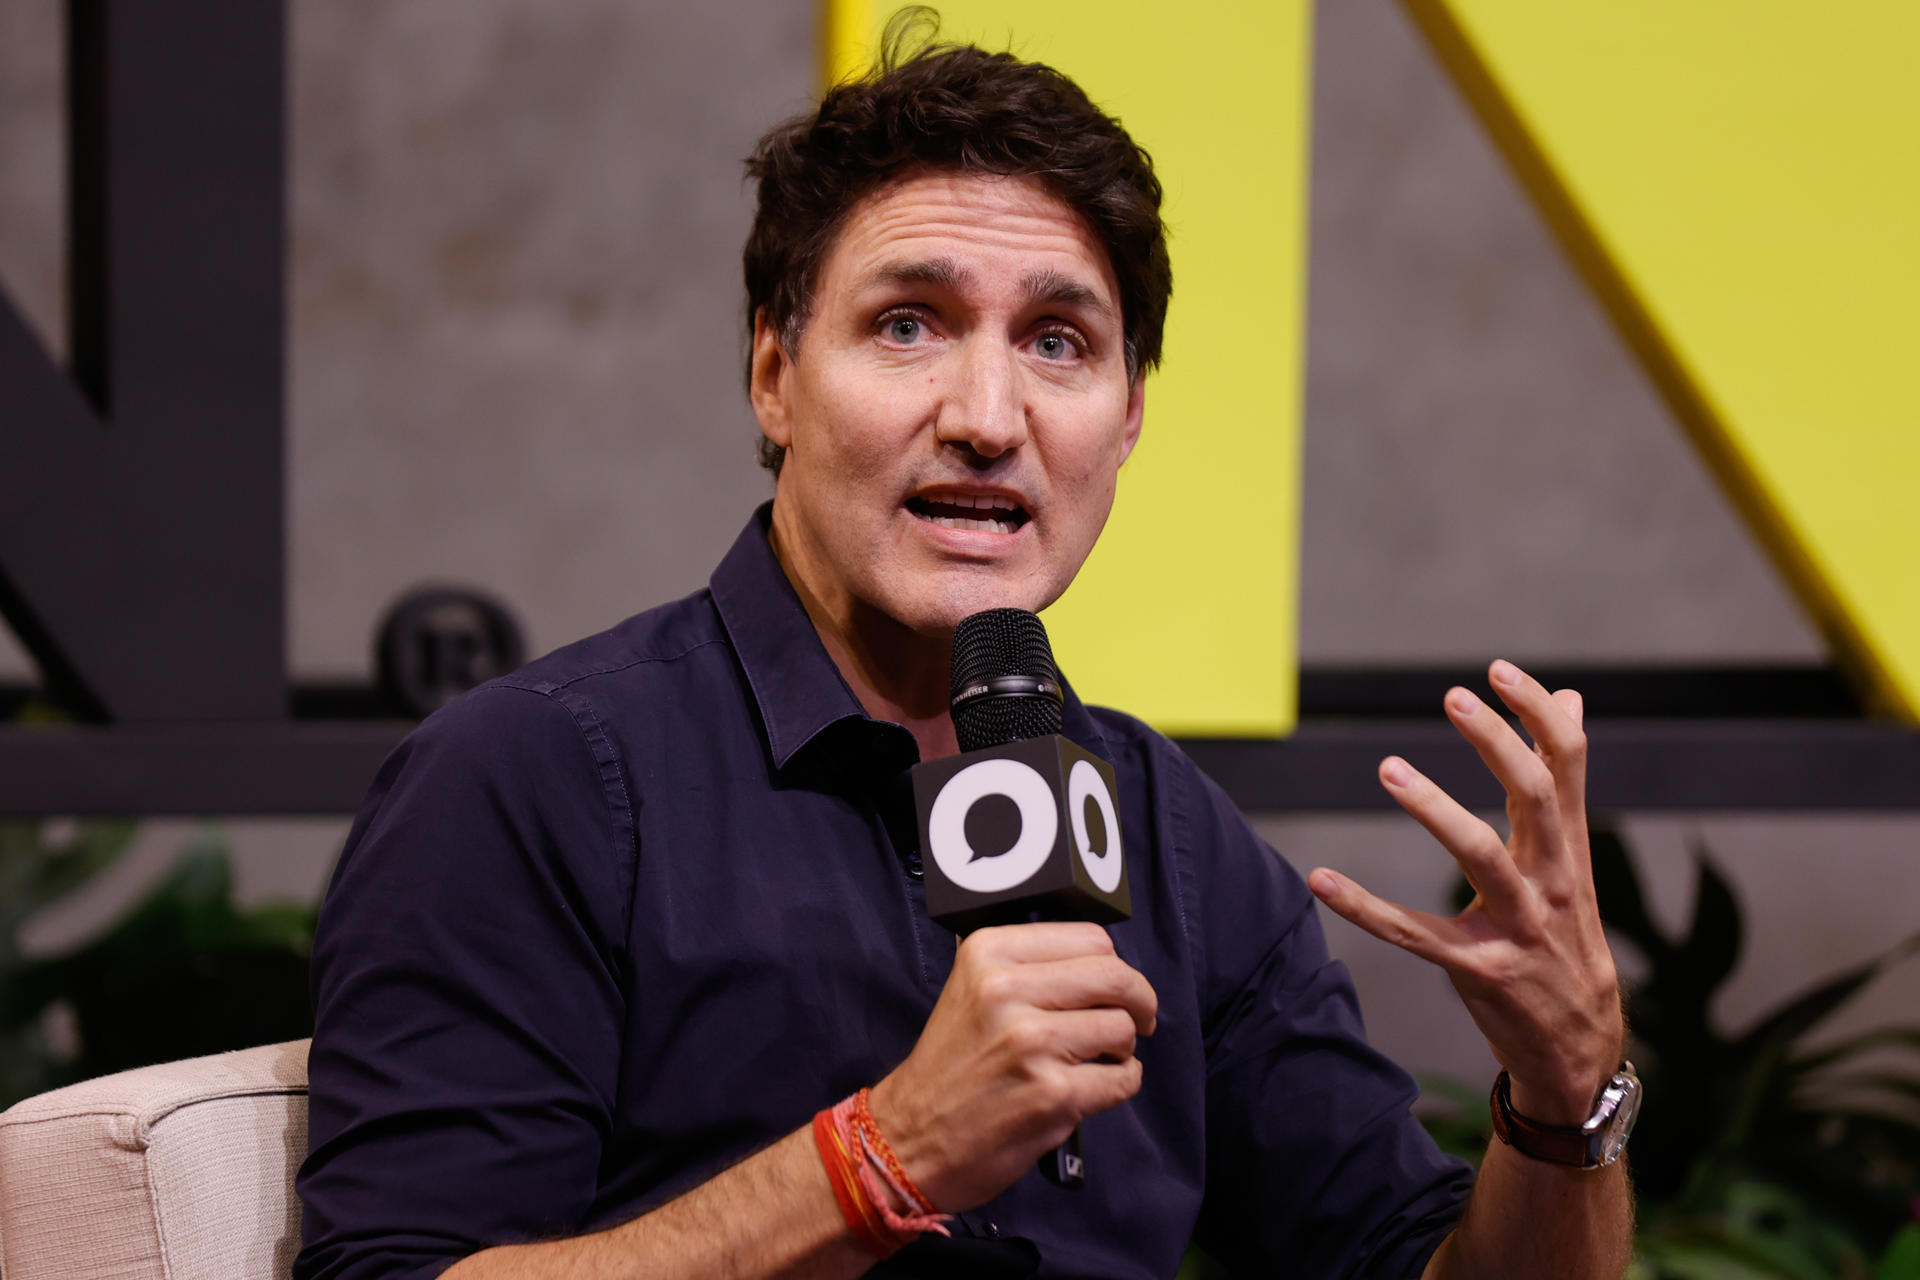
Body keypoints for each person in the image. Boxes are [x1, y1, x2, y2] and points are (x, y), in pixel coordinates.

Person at [296, 21, 1633, 1280]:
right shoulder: (537, 778)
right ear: (774, 374)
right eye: (909, 324)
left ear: (1124, 426)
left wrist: (1565, 1105)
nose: (987, 417)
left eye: (1058, 344)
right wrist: (882, 1158)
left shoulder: (1166, 830)